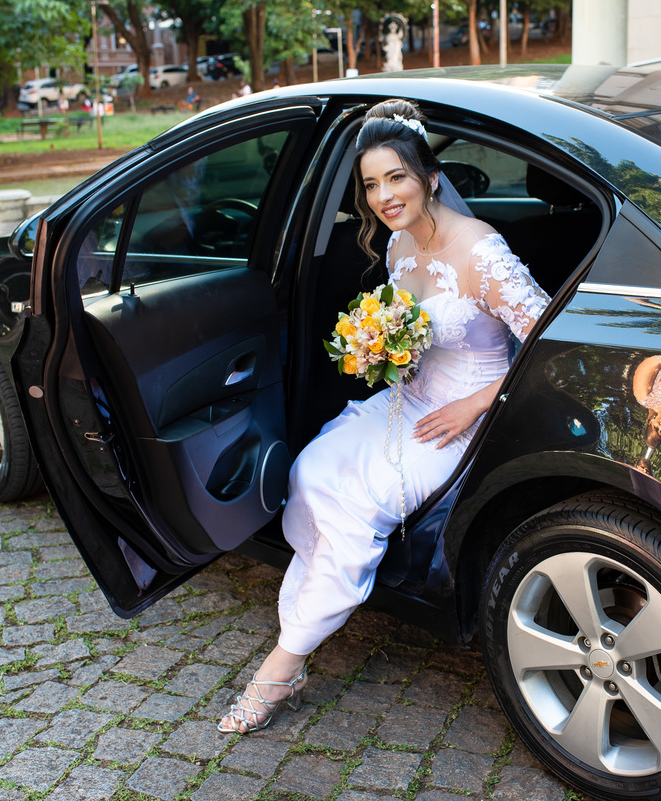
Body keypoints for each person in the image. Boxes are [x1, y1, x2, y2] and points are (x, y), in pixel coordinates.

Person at [218, 99, 550, 734]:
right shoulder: (398, 246)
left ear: (429, 176)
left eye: (396, 177)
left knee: (352, 506)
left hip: (470, 413)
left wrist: (473, 405)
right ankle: (313, 607)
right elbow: (411, 336)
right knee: (312, 471)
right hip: (408, 398)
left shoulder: (483, 252)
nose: (384, 195)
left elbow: (543, 343)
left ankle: (281, 669)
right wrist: (381, 351)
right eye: (370, 184)